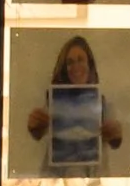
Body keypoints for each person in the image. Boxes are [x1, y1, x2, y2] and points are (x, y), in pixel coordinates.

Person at [26, 33, 123, 176]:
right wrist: (34, 124)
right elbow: (37, 133)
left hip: (92, 184)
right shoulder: (53, 102)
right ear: (64, 68)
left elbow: (116, 142)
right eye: (70, 62)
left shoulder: (103, 104)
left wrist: (115, 133)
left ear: (89, 64)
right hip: (56, 184)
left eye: (80, 60)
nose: (76, 66)